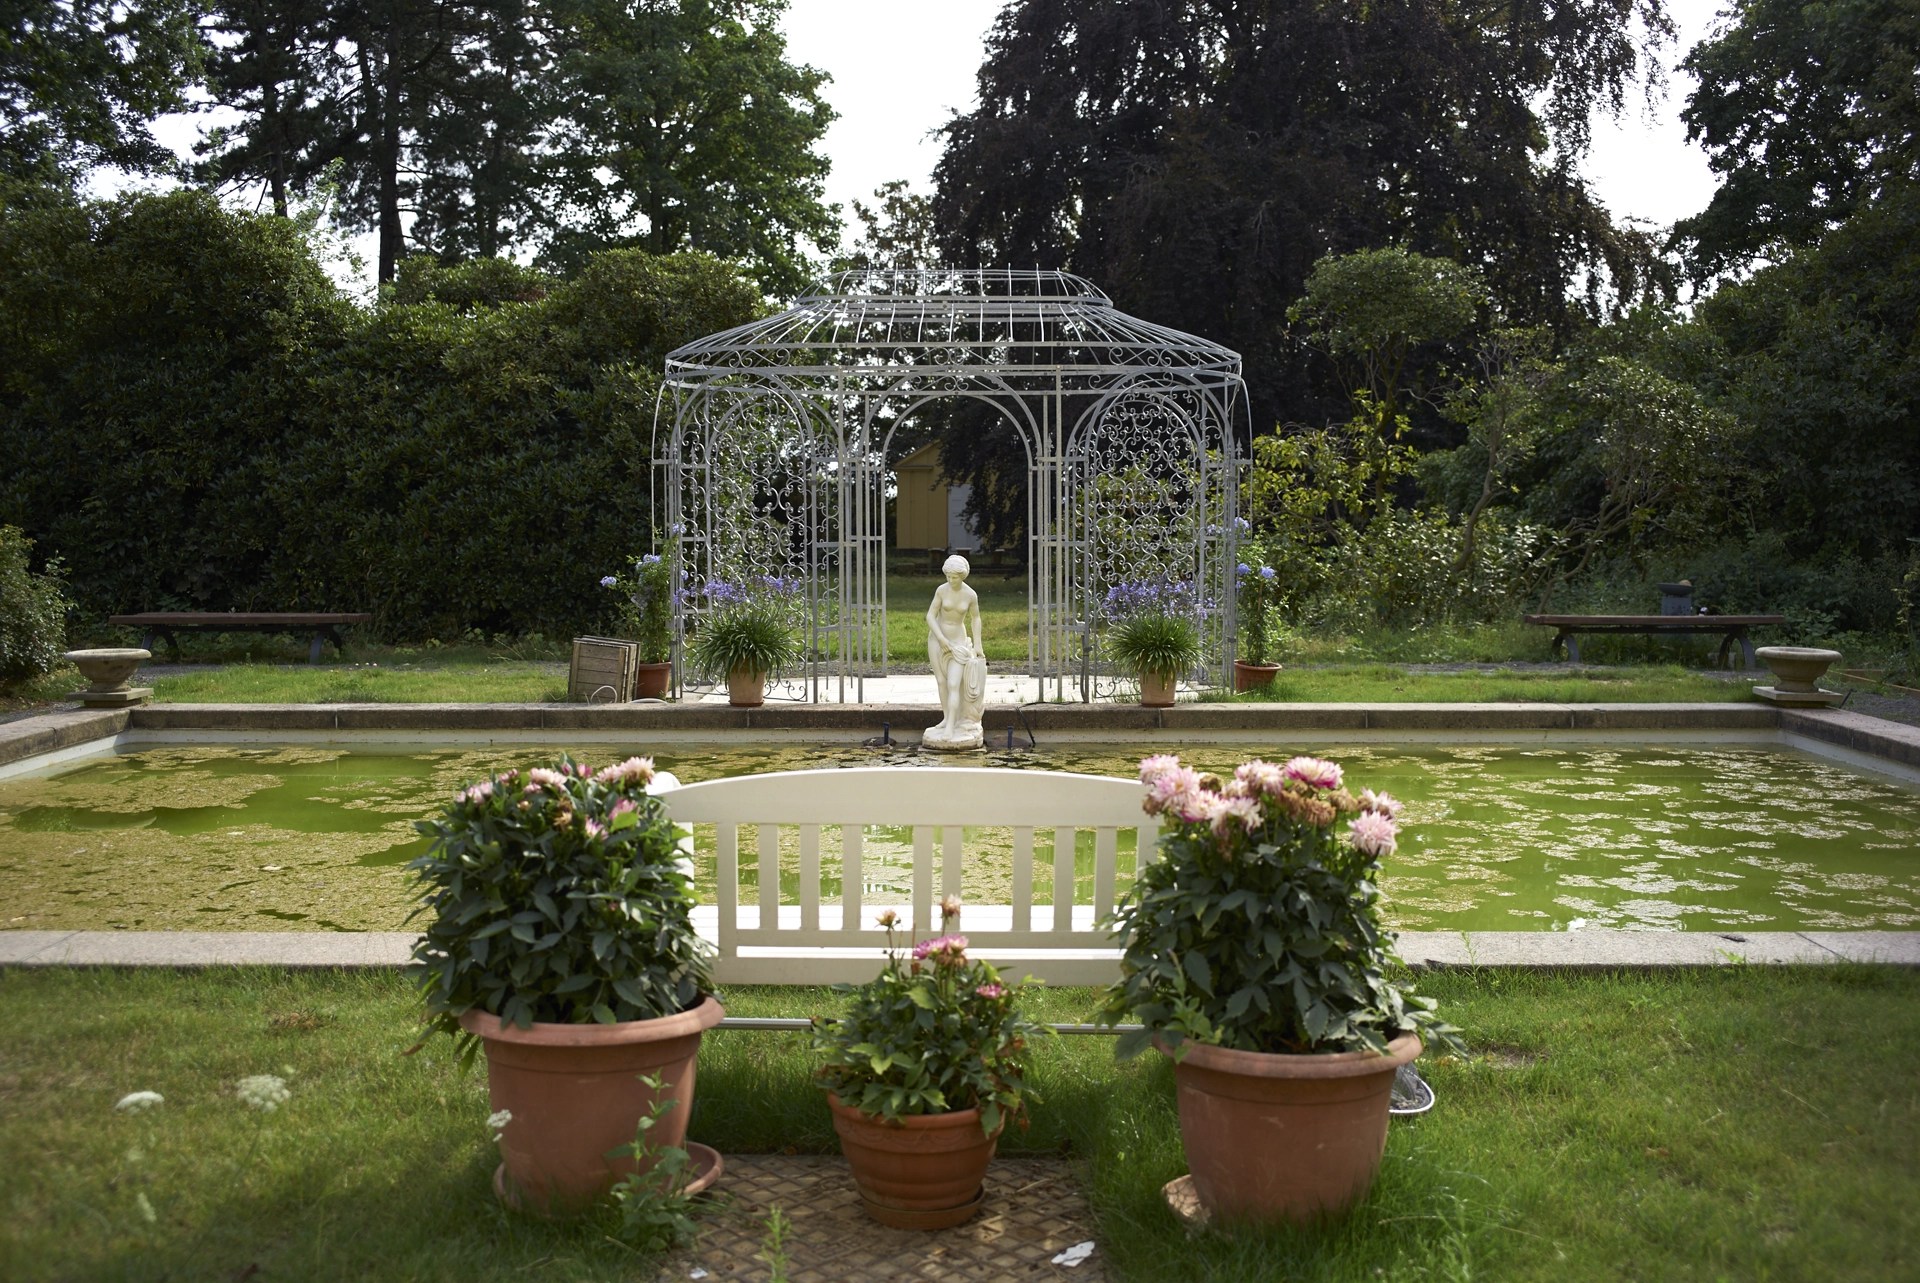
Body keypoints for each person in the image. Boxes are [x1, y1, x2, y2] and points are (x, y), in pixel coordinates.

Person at [924, 554, 985, 749]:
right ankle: (946, 718)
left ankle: (951, 725)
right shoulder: (941, 591)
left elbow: (975, 618)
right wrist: (941, 639)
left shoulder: (970, 595)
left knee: (953, 683)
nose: (951, 580)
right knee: (941, 682)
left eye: (955, 577)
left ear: (963, 576)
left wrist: (977, 644)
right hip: (937, 640)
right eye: (948, 576)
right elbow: (930, 616)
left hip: (958, 642)